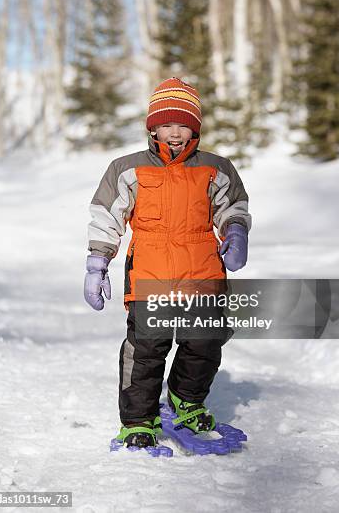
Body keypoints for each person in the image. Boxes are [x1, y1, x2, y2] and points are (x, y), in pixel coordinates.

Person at [84, 77, 252, 448]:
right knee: (146, 349)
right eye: (166, 124)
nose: (175, 133)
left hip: (203, 271)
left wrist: (236, 232)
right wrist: (98, 261)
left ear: (195, 127)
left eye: (184, 124)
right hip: (150, 273)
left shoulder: (216, 168)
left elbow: (233, 207)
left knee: (204, 344)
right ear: (152, 127)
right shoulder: (127, 169)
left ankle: (186, 399)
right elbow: (107, 216)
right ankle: (138, 420)